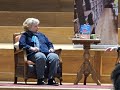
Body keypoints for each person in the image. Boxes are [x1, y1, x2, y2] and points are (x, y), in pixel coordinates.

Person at [19, 18, 59, 85]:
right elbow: (22, 44)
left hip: (46, 52)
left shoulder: (41, 35)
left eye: (37, 25)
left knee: (54, 56)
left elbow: (49, 43)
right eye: (35, 26)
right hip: (33, 54)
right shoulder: (25, 35)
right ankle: (40, 79)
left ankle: (51, 79)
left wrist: (51, 48)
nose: (38, 27)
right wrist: (31, 48)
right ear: (29, 26)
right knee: (40, 56)